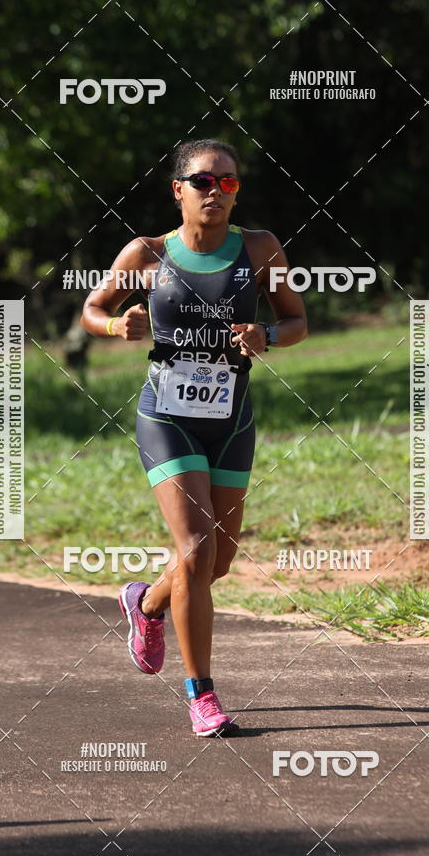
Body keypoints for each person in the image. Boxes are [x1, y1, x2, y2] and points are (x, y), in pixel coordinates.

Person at [81, 138, 307, 736]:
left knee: (218, 561)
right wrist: (114, 324)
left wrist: (270, 337)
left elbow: (297, 319)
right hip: (168, 417)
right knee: (196, 549)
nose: (216, 192)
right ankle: (202, 695)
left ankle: (147, 602)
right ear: (177, 189)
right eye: (204, 181)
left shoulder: (260, 249)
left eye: (228, 182)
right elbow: (92, 308)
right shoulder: (148, 253)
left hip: (232, 420)